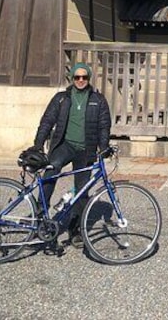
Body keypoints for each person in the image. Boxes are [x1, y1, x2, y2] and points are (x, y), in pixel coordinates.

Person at [30, 62, 111, 248]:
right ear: (72, 78)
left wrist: (104, 146)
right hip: (64, 145)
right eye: (77, 77)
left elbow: (104, 125)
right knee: (51, 172)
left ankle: (75, 230)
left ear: (88, 78)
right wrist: (38, 144)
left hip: (86, 149)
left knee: (82, 190)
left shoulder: (98, 100)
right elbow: (47, 121)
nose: (80, 80)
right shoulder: (61, 98)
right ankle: (41, 215)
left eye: (84, 77)